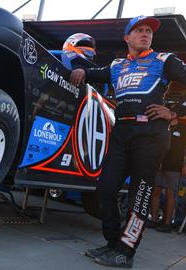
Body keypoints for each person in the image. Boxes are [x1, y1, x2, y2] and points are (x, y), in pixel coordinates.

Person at [70, 15, 186, 268]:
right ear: (127, 38)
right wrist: (80, 70)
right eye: (139, 30)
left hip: (151, 134)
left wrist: (175, 113)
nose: (145, 34)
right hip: (121, 133)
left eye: (148, 31)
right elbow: (92, 74)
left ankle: (125, 253)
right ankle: (113, 243)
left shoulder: (164, 60)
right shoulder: (116, 66)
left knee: (140, 194)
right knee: (105, 188)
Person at [148, 107, 186, 233]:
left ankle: (167, 224)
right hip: (159, 165)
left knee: (171, 195)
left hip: (174, 167)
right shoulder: (163, 125)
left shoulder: (183, 128)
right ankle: (153, 219)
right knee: (155, 192)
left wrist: (185, 165)